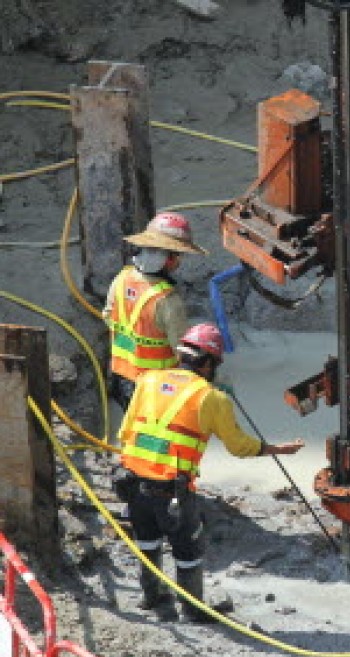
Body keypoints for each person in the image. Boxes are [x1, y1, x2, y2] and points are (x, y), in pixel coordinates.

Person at [115, 323, 304, 623]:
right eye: (215, 364)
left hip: (134, 485)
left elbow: (125, 432)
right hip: (174, 493)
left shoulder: (147, 380)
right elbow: (238, 446)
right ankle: (192, 609)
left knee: (146, 541)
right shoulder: (212, 398)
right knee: (188, 551)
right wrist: (277, 449)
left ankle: (152, 597)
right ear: (206, 363)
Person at [103, 212, 207, 410]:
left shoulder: (121, 279)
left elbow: (108, 316)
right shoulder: (168, 301)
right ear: (170, 260)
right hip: (158, 388)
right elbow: (184, 353)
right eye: (178, 255)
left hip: (123, 377)